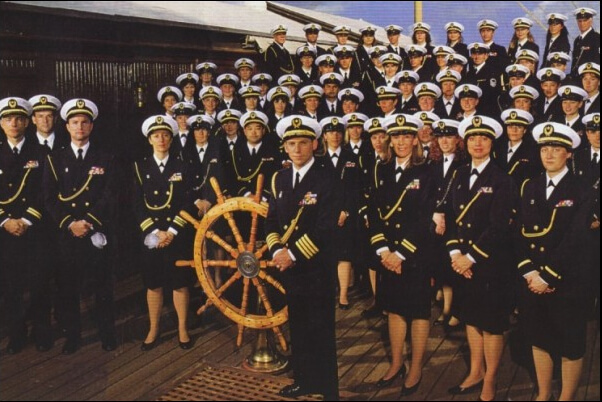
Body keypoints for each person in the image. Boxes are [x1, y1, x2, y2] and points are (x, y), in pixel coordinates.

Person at [445, 116, 517, 402]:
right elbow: (450, 217)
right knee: (470, 319)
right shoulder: (459, 174)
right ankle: (475, 371)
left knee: (491, 322)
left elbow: (499, 226)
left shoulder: (502, 179)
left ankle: (491, 379)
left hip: (489, 264)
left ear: (492, 143)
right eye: (473, 137)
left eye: (484, 138)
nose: (477, 143)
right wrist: (455, 254)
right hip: (462, 263)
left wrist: (470, 258)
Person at [267, 115, 339, 400]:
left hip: (315, 265)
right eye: (291, 143)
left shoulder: (327, 178)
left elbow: (326, 225)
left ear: (315, 144)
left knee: (320, 328)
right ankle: (304, 381)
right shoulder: (280, 178)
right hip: (288, 265)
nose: (297, 149)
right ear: (285, 147)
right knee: (298, 324)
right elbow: (270, 220)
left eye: (303, 143)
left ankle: (328, 389)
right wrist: (276, 250)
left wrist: (293, 253)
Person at [516, 122, 587, 401]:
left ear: (568, 153)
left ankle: (566, 397)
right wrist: (530, 272)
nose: (549, 154)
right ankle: (543, 394)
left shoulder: (582, 188)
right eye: (545, 148)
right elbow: (517, 233)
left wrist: (548, 276)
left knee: (570, 344)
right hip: (533, 280)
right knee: (539, 338)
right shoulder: (529, 186)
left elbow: (577, 237)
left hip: (566, 281)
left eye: (556, 149)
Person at [43, 99, 117, 354]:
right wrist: (70, 224)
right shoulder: (55, 159)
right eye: (74, 122)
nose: (80, 127)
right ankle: (73, 336)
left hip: (96, 230)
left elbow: (110, 194)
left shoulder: (105, 157)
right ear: (66, 126)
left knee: (102, 286)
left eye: (85, 122)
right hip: (68, 234)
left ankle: (107, 333)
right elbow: (48, 198)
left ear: (92, 126)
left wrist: (89, 222)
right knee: (69, 288)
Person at [368, 114, 431, 397]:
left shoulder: (427, 171)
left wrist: (401, 253)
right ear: (389, 141)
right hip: (387, 254)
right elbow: (373, 212)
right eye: (396, 137)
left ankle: (415, 367)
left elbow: (425, 217)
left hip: (414, 253)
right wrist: (383, 251)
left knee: (417, 311)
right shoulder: (381, 169)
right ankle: (396, 363)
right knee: (394, 309)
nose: (401, 141)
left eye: (407, 136)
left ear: (416, 139)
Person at [132, 115, 194, 351]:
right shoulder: (139, 168)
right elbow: (137, 204)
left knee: (180, 283)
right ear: (149, 139)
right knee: (153, 283)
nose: (161, 139)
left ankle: (182, 329)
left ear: (171, 138)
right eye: (156, 135)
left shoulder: (182, 167)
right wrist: (155, 232)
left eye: (166, 135)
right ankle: (154, 328)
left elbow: (188, 202)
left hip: (176, 234)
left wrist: (172, 231)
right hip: (152, 236)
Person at [0, 97, 52, 353]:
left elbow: (46, 192)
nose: (14, 123)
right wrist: (5, 220)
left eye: (19, 118)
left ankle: (42, 331)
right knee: (11, 286)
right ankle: (17, 334)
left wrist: (26, 220)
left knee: (39, 282)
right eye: (8, 118)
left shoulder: (41, 152)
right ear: (1, 123)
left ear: (26, 122)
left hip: (35, 230)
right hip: (5, 232)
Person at [317, 116, 359, 310]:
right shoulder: (317, 158)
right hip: (323, 216)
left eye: (338, 132)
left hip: (345, 215)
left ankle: (343, 295)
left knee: (344, 254)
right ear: (324, 136)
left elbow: (355, 188)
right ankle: (326, 293)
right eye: (330, 132)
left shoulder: (351, 157)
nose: (334, 135)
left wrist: (346, 211)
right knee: (325, 255)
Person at [428, 119, 465, 328]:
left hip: (456, 221)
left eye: (449, 136)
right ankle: (447, 309)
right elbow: (429, 192)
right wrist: (435, 214)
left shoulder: (464, 164)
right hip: (436, 221)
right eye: (440, 137)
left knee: (455, 268)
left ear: (457, 139)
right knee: (441, 266)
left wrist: (444, 215)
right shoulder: (432, 163)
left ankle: (456, 310)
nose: (444, 141)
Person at [494, 108, 541, 186]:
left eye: (518, 127)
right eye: (510, 127)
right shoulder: (497, 149)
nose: (514, 130)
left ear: (525, 130)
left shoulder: (532, 151)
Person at [571, 7, 600, 78]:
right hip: (577, 77)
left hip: (590, 78)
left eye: (585, 20)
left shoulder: (597, 38)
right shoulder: (577, 40)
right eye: (579, 21)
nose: (582, 24)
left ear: (591, 21)